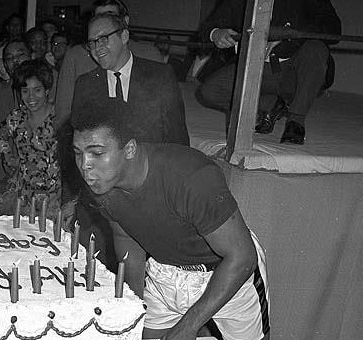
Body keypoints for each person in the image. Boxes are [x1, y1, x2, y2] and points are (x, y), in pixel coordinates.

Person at [72, 99, 270, 340]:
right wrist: (134, 305)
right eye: (78, 153)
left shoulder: (190, 176)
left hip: (228, 274)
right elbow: (126, 238)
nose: (85, 166)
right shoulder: (102, 182)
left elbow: (242, 257)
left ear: (129, 148)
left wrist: (190, 325)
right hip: (165, 272)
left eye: (96, 153)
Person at [69, 13, 189, 292]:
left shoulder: (160, 76)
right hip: (104, 200)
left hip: (152, 194)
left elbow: (177, 138)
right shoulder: (85, 84)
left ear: (124, 36)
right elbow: (80, 148)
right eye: (91, 43)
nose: (97, 48)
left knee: (156, 282)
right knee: (104, 279)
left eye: (103, 39)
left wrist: (175, 193)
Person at [196, 0, 341, 144]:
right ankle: (272, 106)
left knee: (315, 49)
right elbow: (207, 28)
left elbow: (334, 28)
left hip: (296, 70)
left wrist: (290, 34)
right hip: (257, 67)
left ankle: (296, 121)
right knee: (210, 91)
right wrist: (215, 33)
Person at [54, 0, 163, 130]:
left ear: (125, 22)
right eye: (97, 18)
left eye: (109, 16)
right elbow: (63, 115)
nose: (101, 23)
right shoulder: (76, 57)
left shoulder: (149, 55)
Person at [0, 59, 60, 217]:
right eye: (25, 91)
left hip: (55, 198)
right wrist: (8, 157)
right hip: (23, 195)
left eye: (37, 90)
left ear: (47, 90)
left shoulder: (59, 117)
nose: (31, 97)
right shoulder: (16, 117)